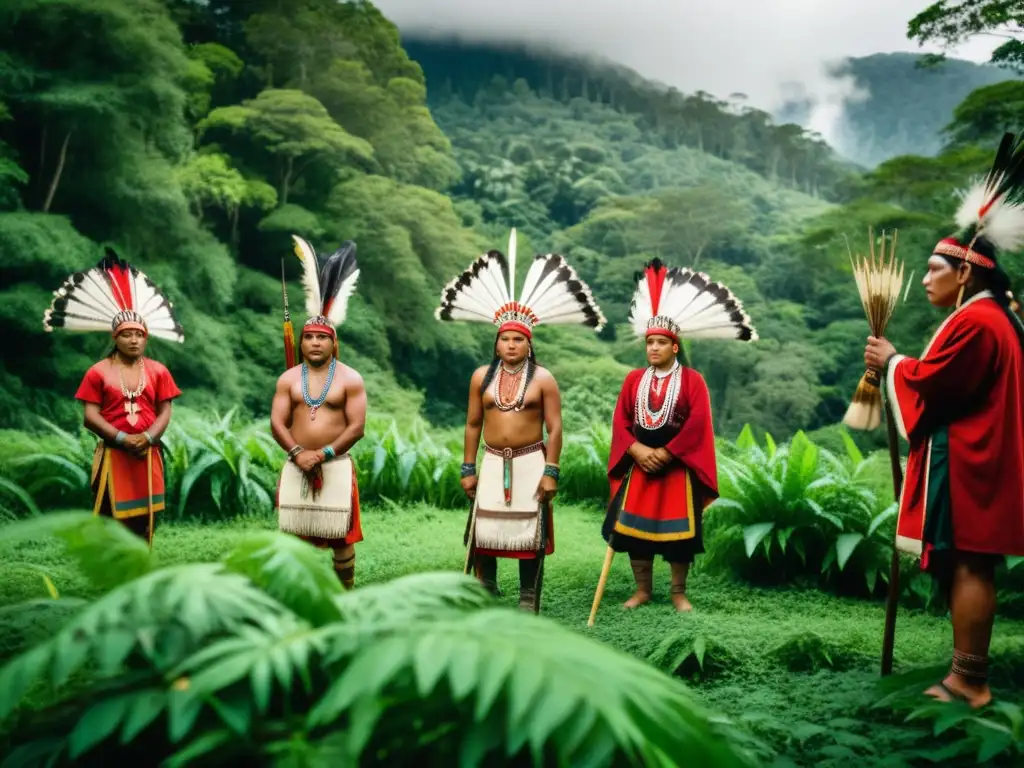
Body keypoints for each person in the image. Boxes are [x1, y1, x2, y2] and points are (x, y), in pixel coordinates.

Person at [865, 131, 1024, 709]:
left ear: (965, 273)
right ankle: (966, 674)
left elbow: (935, 383)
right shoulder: (988, 318)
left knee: (973, 564)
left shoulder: (978, 322)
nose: (925, 278)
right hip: (975, 460)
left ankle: (971, 681)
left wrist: (892, 362)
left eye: (935, 268)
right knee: (968, 564)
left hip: (970, 463)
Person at [436, 228, 607, 612]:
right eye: (505, 339)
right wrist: (468, 467)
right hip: (493, 460)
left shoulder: (544, 379)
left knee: (529, 531)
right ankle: (487, 587)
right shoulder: (481, 377)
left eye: (518, 340)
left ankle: (528, 595)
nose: (511, 345)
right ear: (495, 342)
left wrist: (552, 471)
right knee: (486, 528)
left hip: (531, 459)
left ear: (529, 343)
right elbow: (472, 424)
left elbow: (556, 427)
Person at [605, 259, 758, 611]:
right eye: (650, 343)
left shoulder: (692, 381)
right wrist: (637, 450)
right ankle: (642, 590)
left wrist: (668, 453)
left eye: (661, 342)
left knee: (679, 535)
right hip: (640, 465)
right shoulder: (633, 380)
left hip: (677, 467)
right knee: (632, 531)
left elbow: (699, 422)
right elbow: (620, 421)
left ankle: (677, 592)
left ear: (675, 347)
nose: (654, 348)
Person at [42, 249, 185, 544]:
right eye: (127, 334)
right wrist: (122, 438)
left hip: (148, 454)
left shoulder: (159, 371)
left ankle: (140, 569)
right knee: (111, 521)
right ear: (114, 337)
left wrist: (147, 438)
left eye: (139, 334)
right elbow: (90, 416)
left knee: (146, 520)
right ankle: (113, 572)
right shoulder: (98, 372)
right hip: (113, 455)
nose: (134, 340)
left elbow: (165, 410)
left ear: (147, 337)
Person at [271, 236, 366, 589]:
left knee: (342, 539)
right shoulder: (289, 379)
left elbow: (356, 427)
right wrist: (298, 453)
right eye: (309, 337)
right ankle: (294, 594)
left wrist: (323, 453)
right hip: (297, 462)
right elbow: (277, 422)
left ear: (333, 342)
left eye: (321, 338)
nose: (314, 342)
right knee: (293, 536)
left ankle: (344, 594)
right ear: (301, 341)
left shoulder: (350, 378)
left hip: (336, 464)